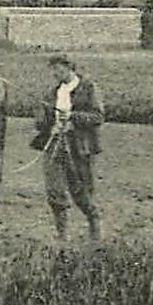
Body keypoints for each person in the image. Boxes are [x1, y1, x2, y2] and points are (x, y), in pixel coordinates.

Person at [31, 53, 103, 241]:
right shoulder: (52, 92)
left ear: (70, 67)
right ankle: (62, 235)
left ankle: (93, 222)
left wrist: (73, 118)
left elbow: (98, 116)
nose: (55, 73)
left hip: (78, 146)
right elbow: (39, 120)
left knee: (80, 191)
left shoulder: (88, 88)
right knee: (54, 190)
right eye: (53, 70)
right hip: (54, 144)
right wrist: (48, 125)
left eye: (59, 69)